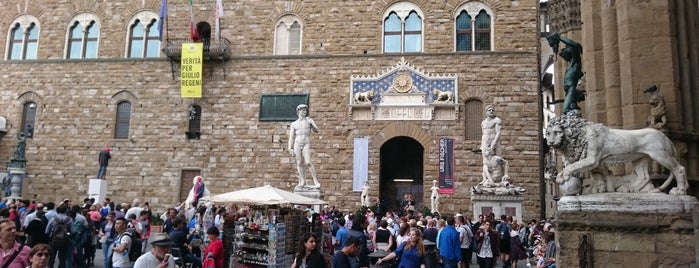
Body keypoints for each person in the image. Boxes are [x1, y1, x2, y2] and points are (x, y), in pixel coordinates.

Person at [546, 32, 584, 114]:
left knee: (567, 108)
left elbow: (574, 45)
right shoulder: (570, 66)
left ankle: (568, 109)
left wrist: (559, 38)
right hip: (569, 91)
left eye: (566, 47)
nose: (563, 50)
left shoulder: (576, 62)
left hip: (571, 90)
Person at [288, 104, 321, 189]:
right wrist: (290, 147)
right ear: (298, 112)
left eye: (305, 111)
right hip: (297, 143)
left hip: (306, 142)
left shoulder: (308, 120)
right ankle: (302, 181)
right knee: (299, 163)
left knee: (308, 162)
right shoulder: (294, 124)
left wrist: (312, 123)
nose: (304, 112)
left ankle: (315, 180)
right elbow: (291, 137)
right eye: (303, 110)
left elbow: (317, 130)